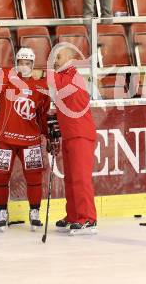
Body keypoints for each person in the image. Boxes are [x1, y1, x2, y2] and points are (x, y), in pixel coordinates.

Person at [0, 48, 51, 231]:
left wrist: (48, 135)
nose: (24, 66)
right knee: (0, 176)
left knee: (34, 177)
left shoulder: (41, 86)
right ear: (16, 63)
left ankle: (34, 212)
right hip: (5, 139)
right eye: (21, 62)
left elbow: (42, 115)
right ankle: (2, 212)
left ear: (33, 65)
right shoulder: (6, 80)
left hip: (31, 140)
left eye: (28, 63)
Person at [47, 46, 98, 235]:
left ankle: (88, 219)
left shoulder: (73, 77)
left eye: (58, 57)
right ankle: (74, 215)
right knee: (71, 179)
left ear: (70, 58)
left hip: (80, 135)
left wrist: (42, 71)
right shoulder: (66, 77)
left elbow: (56, 83)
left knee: (81, 179)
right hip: (70, 134)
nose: (55, 61)